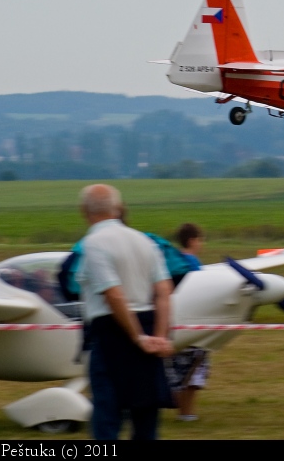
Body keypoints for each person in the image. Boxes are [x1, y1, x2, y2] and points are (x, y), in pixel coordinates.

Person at [76, 184, 174, 440]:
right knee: (145, 417)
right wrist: (160, 337)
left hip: (113, 332)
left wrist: (137, 337)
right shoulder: (145, 241)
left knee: (107, 416)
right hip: (149, 329)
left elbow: (114, 294)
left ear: (84, 211)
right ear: (117, 208)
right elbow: (163, 291)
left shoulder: (93, 244)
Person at [166, 223, 211, 422]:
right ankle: (186, 412)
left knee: (176, 368)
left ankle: (181, 410)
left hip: (173, 322)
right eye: (200, 240)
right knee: (194, 367)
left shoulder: (174, 261)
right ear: (192, 241)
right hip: (192, 323)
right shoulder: (192, 263)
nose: (201, 244)